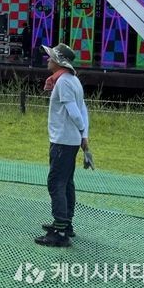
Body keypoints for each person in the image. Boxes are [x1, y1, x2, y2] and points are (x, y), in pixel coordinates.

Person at [35, 43, 89, 247]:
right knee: (66, 182)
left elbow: (74, 112)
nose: (48, 59)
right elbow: (83, 110)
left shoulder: (64, 82)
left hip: (63, 140)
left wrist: (82, 131)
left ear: (58, 61)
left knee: (56, 182)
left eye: (51, 57)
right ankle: (66, 224)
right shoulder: (73, 80)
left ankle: (60, 232)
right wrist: (83, 135)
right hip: (70, 140)